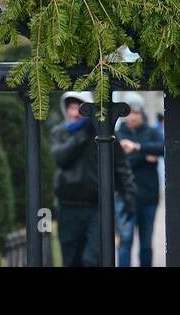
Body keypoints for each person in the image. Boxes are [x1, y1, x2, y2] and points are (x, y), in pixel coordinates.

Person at [50, 90, 136, 267]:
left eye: (78, 108)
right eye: (71, 108)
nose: (74, 113)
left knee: (93, 259)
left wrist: (129, 195)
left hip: (97, 206)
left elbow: (120, 165)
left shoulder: (103, 132)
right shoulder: (60, 132)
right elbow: (60, 158)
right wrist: (82, 135)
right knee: (71, 259)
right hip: (68, 206)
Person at [115, 94, 164, 267]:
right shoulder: (119, 133)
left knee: (146, 244)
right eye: (130, 112)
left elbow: (163, 148)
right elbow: (119, 161)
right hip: (126, 196)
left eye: (136, 112)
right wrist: (145, 156)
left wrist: (136, 147)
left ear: (141, 113)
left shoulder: (151, 132)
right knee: (125, 242)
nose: (133, 116)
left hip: (149, 197)